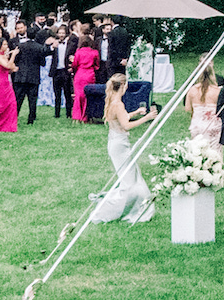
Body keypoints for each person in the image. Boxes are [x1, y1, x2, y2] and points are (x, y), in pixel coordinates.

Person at [91, 73, 158, 224]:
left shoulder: (112, 101)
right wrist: (146, 118)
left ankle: (138, 207)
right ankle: (106, 208)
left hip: (116, 143)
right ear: (123, 85)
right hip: (119, 145)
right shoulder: (118, 104)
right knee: (129, 182)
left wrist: (135, 113)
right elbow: (126, 125)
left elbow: (121, 118)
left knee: (132, 179)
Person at [11, 21, 47, 125]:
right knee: (32, 99)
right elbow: (43, 63)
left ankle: (14, 116)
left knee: (18, 98)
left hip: (21, 75)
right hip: (34, 76)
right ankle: (31, 118)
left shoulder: (20, 46)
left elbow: (16, 59)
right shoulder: (39, 47)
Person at [185, 62, 222, 152]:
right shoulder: (217, 91)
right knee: (214, 152)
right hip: (213, 125)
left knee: (198, 151)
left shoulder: (192, 90)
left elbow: (188, 109)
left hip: (197, 125)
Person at [71, 28, 100, 123]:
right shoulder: (95, 52)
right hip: (90, 75)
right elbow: (97, 66)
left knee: (78, 96)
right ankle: (86, 116)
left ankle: (77, 116)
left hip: (80, 74)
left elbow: (74, 64)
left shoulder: (78, 52)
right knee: (87, 96)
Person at [49, 23, 76, 120]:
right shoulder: (55, 44)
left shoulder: (70, 44)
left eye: (62, 33)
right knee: (57, 94)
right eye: (59, 33)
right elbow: (46, 51)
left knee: (67, 93)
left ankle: (68, 113)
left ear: (66, 34)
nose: (61, 35)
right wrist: (52, 46)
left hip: (65, 71)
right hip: (56, 71)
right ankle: (57, 113)